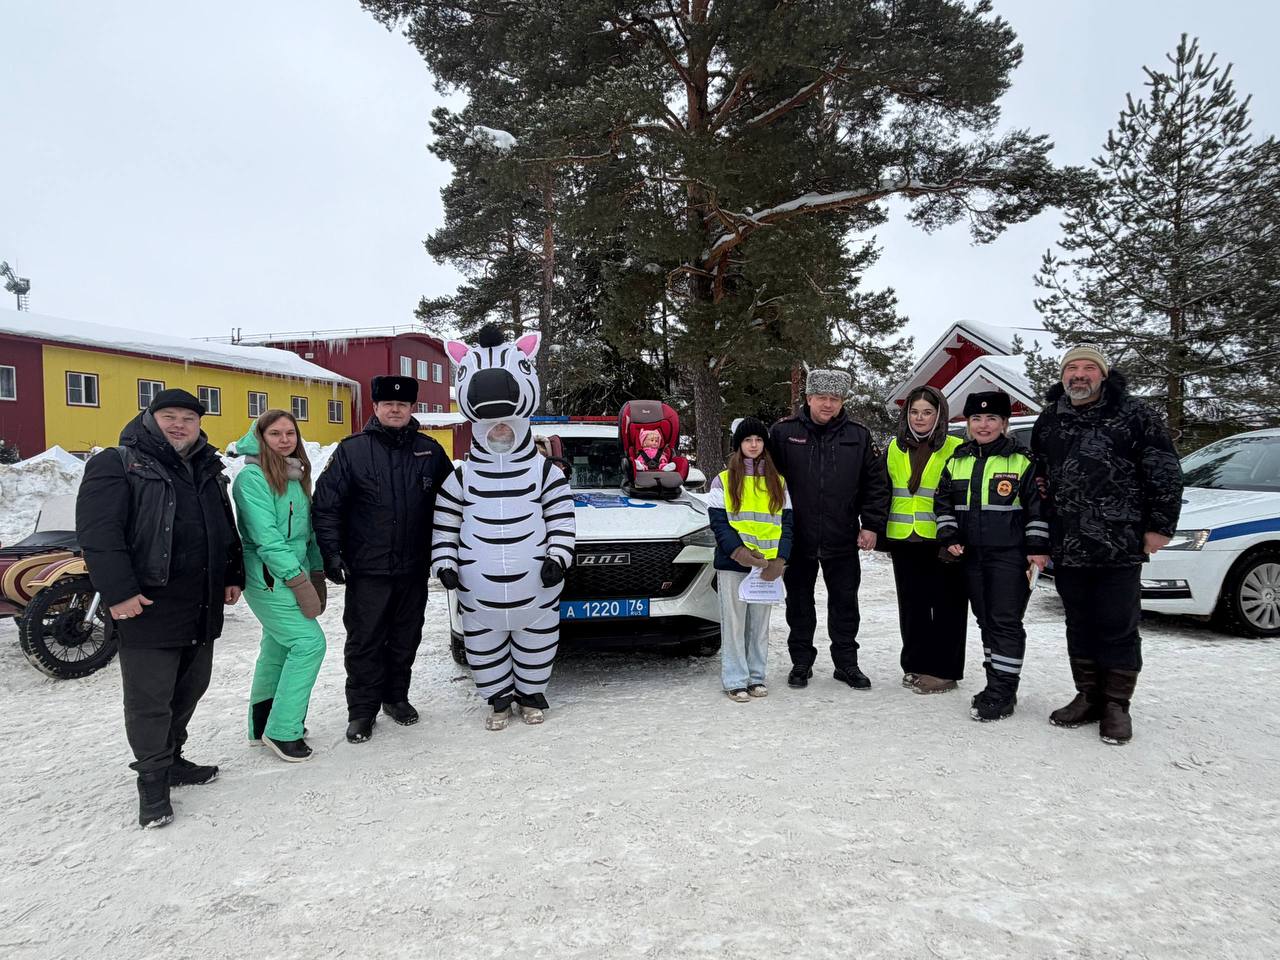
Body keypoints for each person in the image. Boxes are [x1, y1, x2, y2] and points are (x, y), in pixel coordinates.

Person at [76, 389, 244, 828]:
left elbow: (223, 526)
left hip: (201, 600)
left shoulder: (207, 466)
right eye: (169, 416)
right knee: (150, 697)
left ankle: (173, 758)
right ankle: (152, 781)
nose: (179, 425)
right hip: (148, 602)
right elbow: (99, 534)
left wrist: (232, 573)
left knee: (191, 686)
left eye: (188, 419)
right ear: (151, 418)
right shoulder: (118, 463)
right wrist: (118, 592)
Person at [1031, 345, 1182, 745]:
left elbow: (1164, 471)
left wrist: (1160, 527)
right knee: (1078, 622)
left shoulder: (1135, 415)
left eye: (1088, 368)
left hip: (1120, 540)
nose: (1079, 375)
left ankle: (1116, 705)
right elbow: (1040, 475)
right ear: (1063, 375)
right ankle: (1088, 695)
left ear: (1103, 374)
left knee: (1117, 624)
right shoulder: (1051, 418)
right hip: (1069, 541)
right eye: (1072, 369)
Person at [432, 326, 576, 730]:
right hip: (479, 592)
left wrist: (558, 557)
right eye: (493, 429)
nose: (499, 433)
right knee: (483, 646)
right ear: (480, 431)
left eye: (505, 429)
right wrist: (444, 563)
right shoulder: (461, 478)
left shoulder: (545, 472)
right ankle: (497, 701)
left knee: (537, 640)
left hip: (537, 586)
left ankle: (531, 696)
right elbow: (445, 523)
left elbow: (562, 518)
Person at [313, 375, 453, 744]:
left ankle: (396, 697)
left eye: (403, 405)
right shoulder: (352, 451)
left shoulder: (430, 451)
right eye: (388, 404)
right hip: (368, 568)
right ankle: (362, 711)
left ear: (412, 409)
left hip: (413, 567)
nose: (395, 409)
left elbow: (453, 506)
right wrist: (332, 553)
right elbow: (327, 506)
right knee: (365, 641)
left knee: (406, 637)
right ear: (375, 408)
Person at [769, 368, 889, 690]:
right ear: (808, 398)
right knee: (799, 602)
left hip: (842, 536)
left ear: (842, 401)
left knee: (845, 603)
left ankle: (846, 664)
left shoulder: (859, 436)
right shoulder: (783, 433)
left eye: (834, 398)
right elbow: (767, 483)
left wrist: (872, 525)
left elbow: (875, 484)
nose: (828, 404)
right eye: (821, 397)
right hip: (797, 537)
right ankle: (801, 662)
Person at [935, 391, 1051, 722]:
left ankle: (1003, 691)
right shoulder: (957, 460)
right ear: (967, 423)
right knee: (985, 620)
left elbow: (1038, 509)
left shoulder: (1023, 461)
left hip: (1010, 557)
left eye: (991, 419)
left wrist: (1038, 549)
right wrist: (949, 535)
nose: (983, 425)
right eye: (976, 419)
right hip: (971, 557)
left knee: (1005, 621)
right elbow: (942, 504)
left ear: (1004, 423)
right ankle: (995, 683)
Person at [231, 410, 327, 763]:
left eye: (290, 433)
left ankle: (261, 724)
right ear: (260, 437)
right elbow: (267, 538)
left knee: (277, 647)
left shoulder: (295, 473)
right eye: (275, 433)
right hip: (269, 577)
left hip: (294, 569)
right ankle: (283, 729)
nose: (284, 439)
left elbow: (306, 530)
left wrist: (315, 570)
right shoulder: (252, 479)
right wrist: (297, 580)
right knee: (309, 643)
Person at [882, 386, 968, 694]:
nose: (920, 418)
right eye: (914, 412)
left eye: (927, 412)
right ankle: (915, 664)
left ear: (939, 415)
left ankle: (945, 670)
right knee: (913, 605)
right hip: (904, 536)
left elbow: (961, 494)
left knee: (948, 605)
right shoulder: (894, 446)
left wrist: (958, 533)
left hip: (942, 538)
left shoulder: (957, 447)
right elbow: (885, 490)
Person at [706, 418, 793, 701]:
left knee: (758, 626)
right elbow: (718, 523)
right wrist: (739, 552)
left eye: (758, 440)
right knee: (733, 624)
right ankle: (735, 679)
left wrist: (781, 558)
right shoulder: (723, 479)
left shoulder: (778, 481)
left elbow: (788, 523)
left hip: (766, 568)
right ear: (738, 445)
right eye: (747, 440)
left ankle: (756, 677)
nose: (753, 445)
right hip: (735, 563)